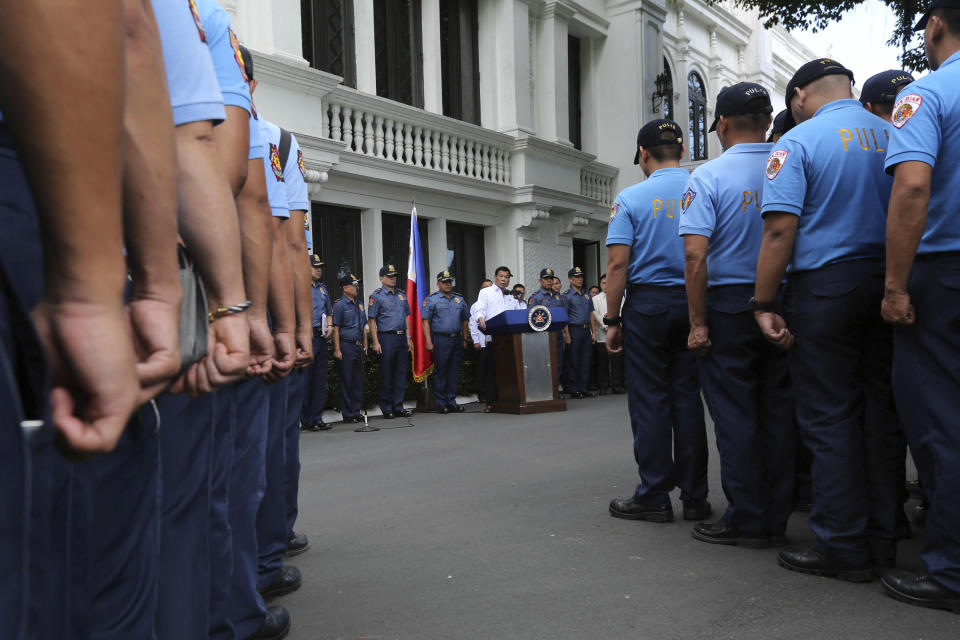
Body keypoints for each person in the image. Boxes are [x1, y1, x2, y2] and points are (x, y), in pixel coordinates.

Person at [755, 58, 901, 581]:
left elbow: (778, 233)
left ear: (797, 96)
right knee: (881, 412)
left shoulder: (797, 142)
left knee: (830, 415)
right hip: (889, 280)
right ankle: (885, 539)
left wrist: (763, 303)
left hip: (826, 287)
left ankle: (842, 543)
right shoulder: (893, 131)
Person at [678, 82, 795, 549]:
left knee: (735, 414)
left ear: (722, 124)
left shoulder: (706, 177)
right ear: (768, 121)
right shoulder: (789, 163)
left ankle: (748, 516)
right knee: (779, 411)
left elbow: (694, 257)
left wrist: (698, 321)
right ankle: (778, 514)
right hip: (783, 299)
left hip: (728, 305)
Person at [879, 0, 960, 611]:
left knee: (941, 422)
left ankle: (952, 568)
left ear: (934, 25)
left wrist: (895, 286)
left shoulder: (927, 95)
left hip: (945, 273)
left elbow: (911, 186)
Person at [604, 119, 710, 524]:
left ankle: (654, 494)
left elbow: (617, 265)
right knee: (687, 399)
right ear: (682, 151)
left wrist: (612, 318)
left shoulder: (630, 198)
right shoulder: (703, 187)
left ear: (643, 154)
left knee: (650, 402)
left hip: (647, 306)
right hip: (694, 301)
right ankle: (695, 496)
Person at [368, 264, 413, 419]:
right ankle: (387, 408)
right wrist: (375, 341)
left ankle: (398, 406)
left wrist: (407, 338)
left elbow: (406, 317)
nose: (393, 278)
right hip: (386, 338)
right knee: (387, 373)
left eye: (394, 276)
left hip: (401, 337)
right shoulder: (377, 296)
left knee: (400, 373)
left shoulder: (402, 295)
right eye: (389, 276)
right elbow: (372, 320)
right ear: (381, 278)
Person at [423, 270, 470, 414]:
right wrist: (428, 341)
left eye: (449, 281)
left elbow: (464, 320)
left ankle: (451, 401)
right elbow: (426, 322)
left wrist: (465, 338)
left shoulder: (459, 299)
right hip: (441, 339)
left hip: (456, 339)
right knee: (441, 371)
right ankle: (441, 403)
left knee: (454, 372)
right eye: (444, 282)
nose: (448, 284)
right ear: (438, 283)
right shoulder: (432, 299)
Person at [475, 266, 520, 412]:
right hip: (493, 339)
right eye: (501, 276)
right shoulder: (486, 292)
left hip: (512, 339)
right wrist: (480, 316)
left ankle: (511, 399)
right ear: (495, 278)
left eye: (506, 277)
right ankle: (490, 402)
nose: (504, 279)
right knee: (492, 373)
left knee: (512, 370)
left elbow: (518, 314)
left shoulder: (511, 295)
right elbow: (479, 308)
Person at [302, 254, 333, 431]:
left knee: (320, 380)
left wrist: (329, 325)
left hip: (321, 336)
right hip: (306, 335)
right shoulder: (299, 287)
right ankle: (306, 419)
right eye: (315, 266)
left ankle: (317, 417)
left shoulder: (322, 289)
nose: (319, 269)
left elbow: (329, 311)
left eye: (320, 266)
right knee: (306, 379)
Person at [333, 274, 369, 424]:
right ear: (345, 288)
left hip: (358, 345)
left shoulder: (359, 304)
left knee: (358, 380)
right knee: (347, 380)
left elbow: (363, 326)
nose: (356, 287)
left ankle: (356, 411)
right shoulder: (340, 305)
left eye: (357, 285)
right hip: (346, 345)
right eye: (353, 285)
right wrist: (337, 349)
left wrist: (366, 344)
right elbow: (336, 328)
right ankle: (348, 414)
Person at [529, 268, 566, 392]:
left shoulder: (559, 297)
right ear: (540, 280)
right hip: (542, 335)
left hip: (557, 334)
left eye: (551, 279)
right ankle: (543, 389)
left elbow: (563, 315)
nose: (549, 281)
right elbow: (530, 317)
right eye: (546, 279)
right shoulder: (536, 297)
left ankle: (555, 388)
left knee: (558, 362)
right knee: (543, 363)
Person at [561, 266, 596, 399]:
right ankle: (574, 389)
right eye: (576, 277)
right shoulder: (567, 296)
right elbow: (565, 316)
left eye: (581, 276)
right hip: (573, 329)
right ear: (570, 279)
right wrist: (567, 335)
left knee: (585, 360)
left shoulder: (587, 294)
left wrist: (594, 332)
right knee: (574, 360)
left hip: (586, 329)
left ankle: (583, 387)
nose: (579, 279)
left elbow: (591, 314)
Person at [591, 274, 625, 395]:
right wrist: (605, 326)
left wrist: (614, 325)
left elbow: (621, 311)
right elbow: (595, 314)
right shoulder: (595, 299)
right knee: (602, 361)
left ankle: (617, 385)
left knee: (617, 360)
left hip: (616, 332)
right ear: (600, 285)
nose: (606, 285)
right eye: (604, 283)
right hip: (601, 333)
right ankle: (603, 386)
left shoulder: (619, 296)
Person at [469, 280, 493, 403]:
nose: (487, 290)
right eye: (484, 288)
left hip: (495, 342)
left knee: (492, 370)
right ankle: (481, 393)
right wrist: (476, 341)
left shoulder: (495, 302)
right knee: (482, 370)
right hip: (482, 343)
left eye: (490, 287)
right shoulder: (476, 306)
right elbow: (473, 325)